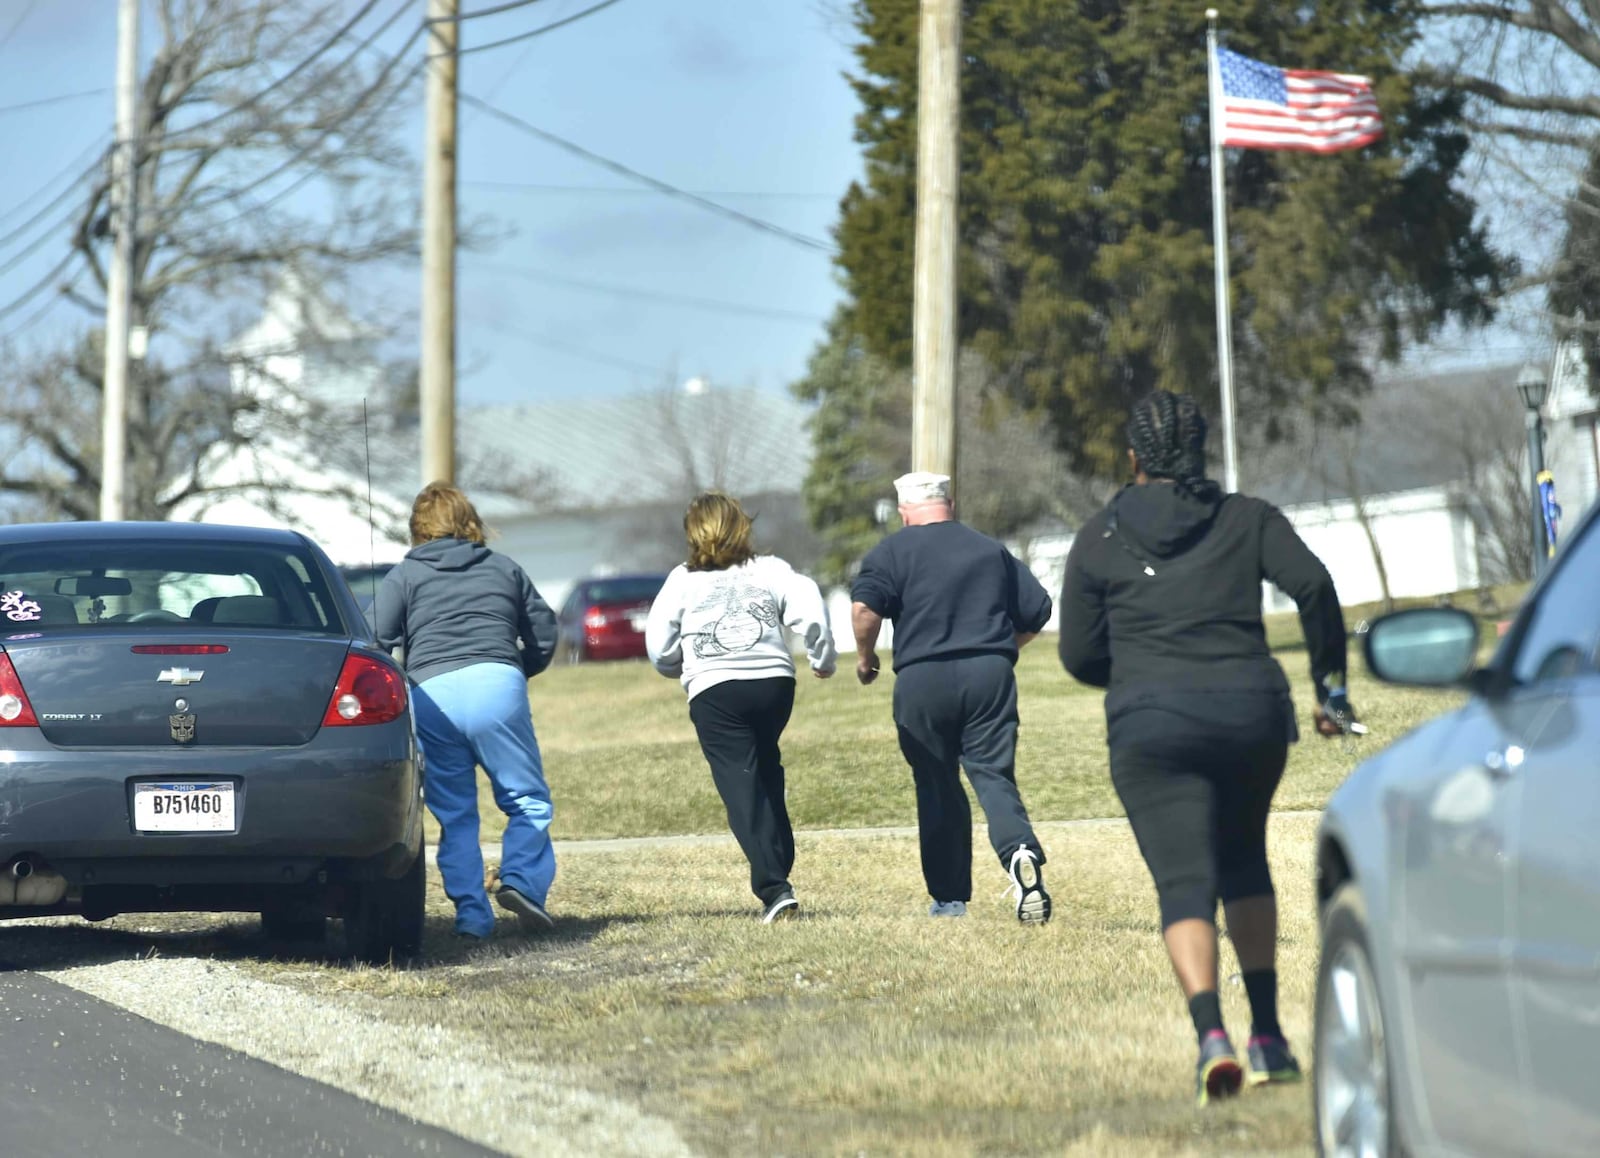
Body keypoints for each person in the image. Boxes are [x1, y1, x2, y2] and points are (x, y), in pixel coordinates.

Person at [1057, 390, 1358, 1106]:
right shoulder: (1246, 517)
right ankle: (1269, 1038)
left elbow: (1077, 654)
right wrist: (1330, 687)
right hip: (1250, 715)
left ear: (1133, 457)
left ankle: (1211, 1040)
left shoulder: (1098, 536)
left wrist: (1134, 678)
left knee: (1184, 882)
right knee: (1245, 860)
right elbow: (1313, 584)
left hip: (1151, 725)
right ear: (1200, 452)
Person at [850, 471, 1054, 923]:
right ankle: (1020, 852)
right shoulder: (989, 549)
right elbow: (1039, 609)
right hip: (989, 674)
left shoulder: (890, 552)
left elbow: (865, 609)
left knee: (937, 784)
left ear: (904, 511)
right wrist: (999, 651)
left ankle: (950, 899)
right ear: (951, 503)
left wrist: (866, 660)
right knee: (993, 775)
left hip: (923, 678)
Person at [376, 482, 560, 941]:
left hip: (430, 692)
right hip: (497, 684)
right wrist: (516, 669)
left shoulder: (404, 575)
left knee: (456, 816)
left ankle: (473, 917)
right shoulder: (503, 568)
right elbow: (544, 631)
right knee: (526, 799)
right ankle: (520, 880)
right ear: (470, 521)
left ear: (418, 529)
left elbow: (375, 638)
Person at [645, 491, 837, 922]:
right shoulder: (769, 569)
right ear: (741, 526)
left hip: (716, 691)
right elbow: (810, 605)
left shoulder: (682, 578)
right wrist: (821, 658)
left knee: (740, 784)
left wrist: (678, 667)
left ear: (693, 533)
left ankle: (774, 888)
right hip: (773, 684)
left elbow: (659, 645)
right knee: (765, 767)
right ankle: (779, 857)